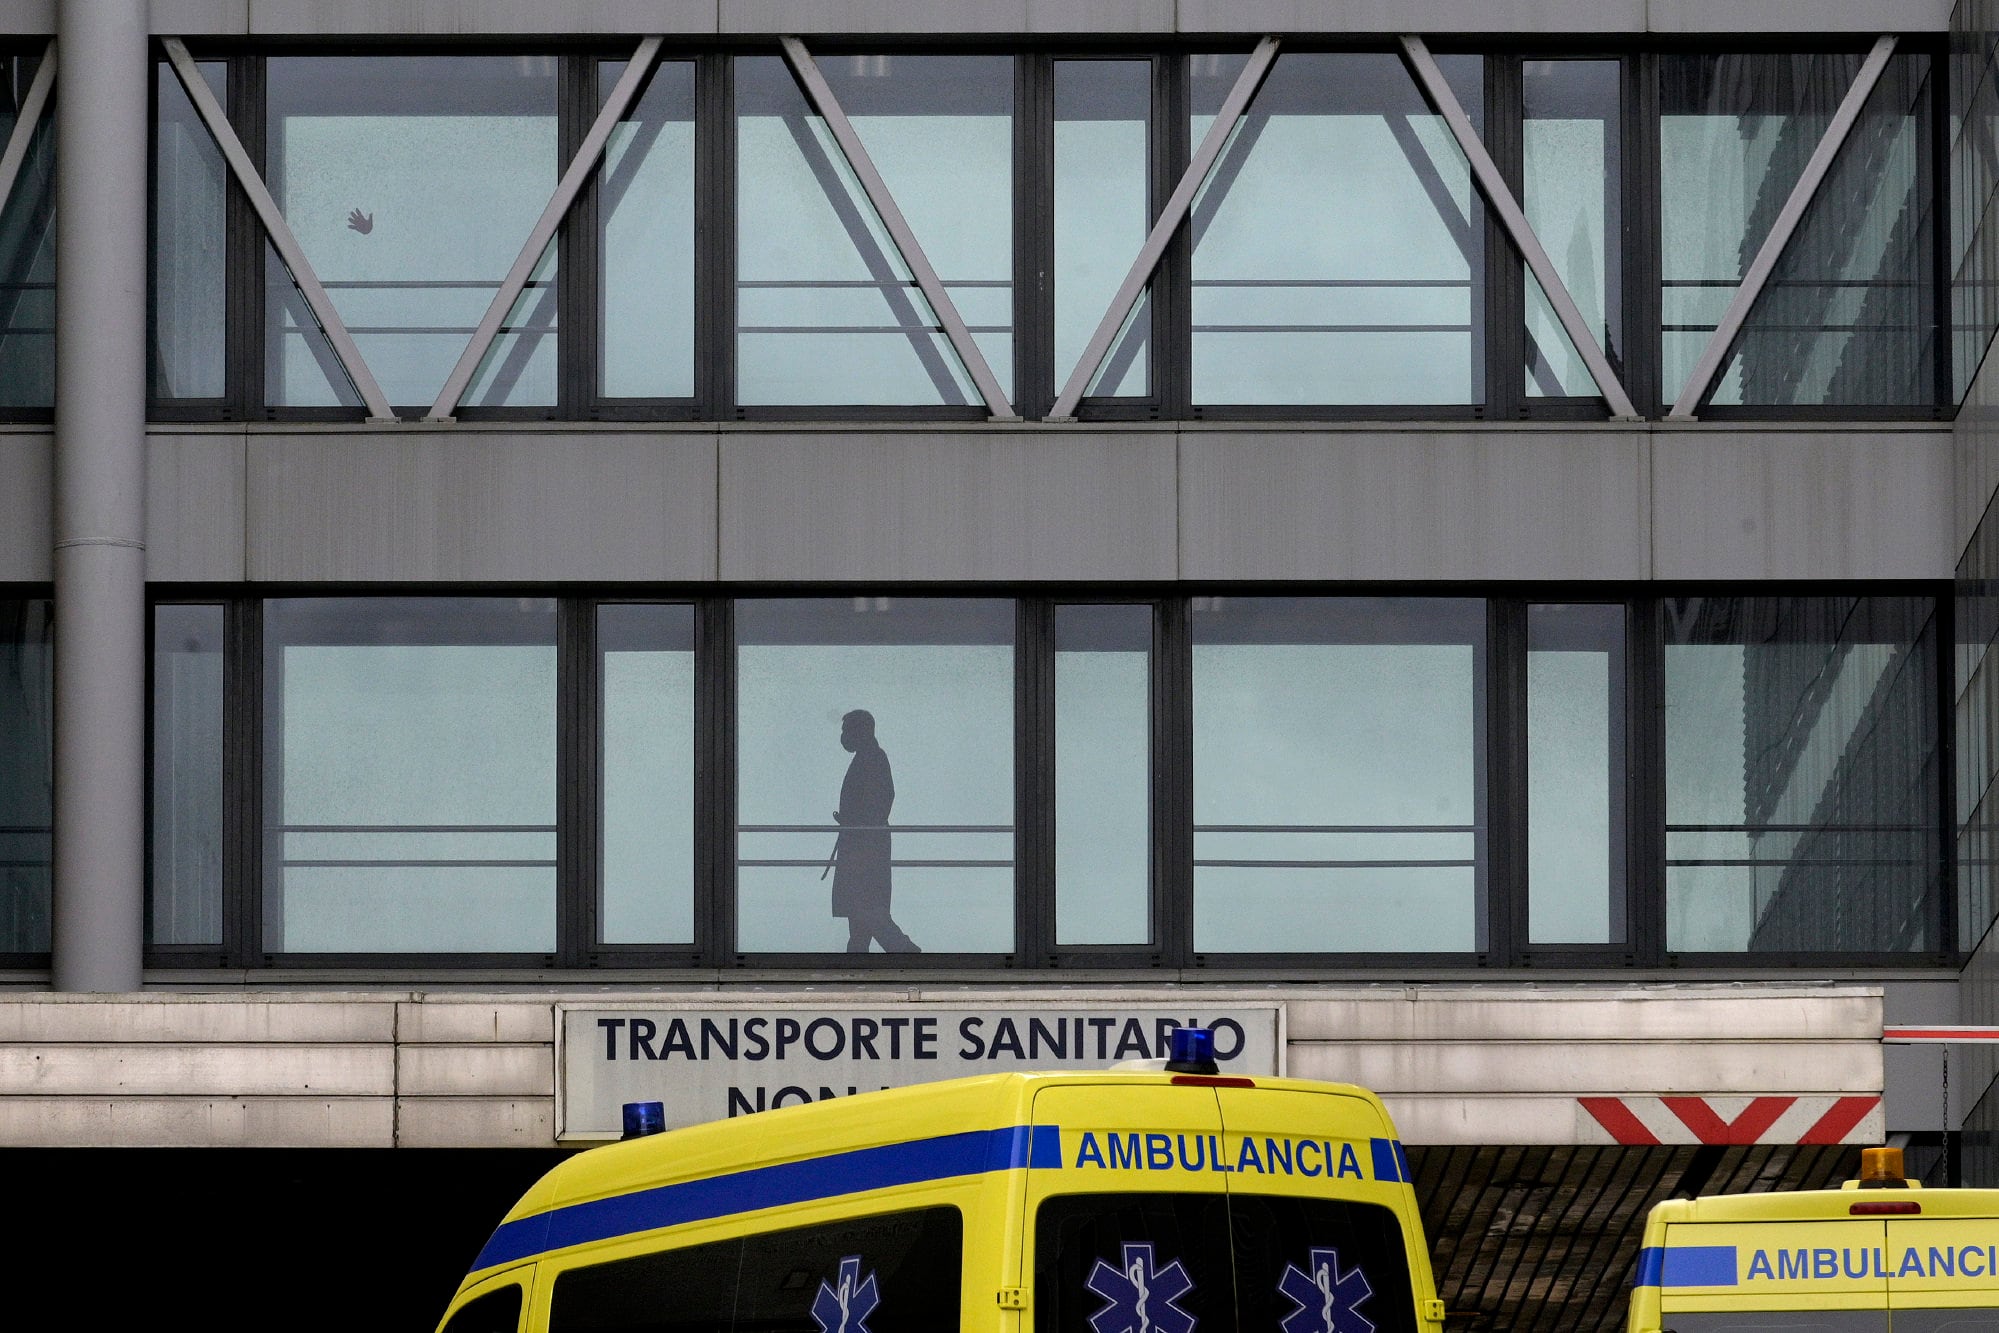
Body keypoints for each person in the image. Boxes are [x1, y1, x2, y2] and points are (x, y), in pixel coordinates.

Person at [828, 709, 918, 953]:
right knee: (861, 918)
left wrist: (855, 822)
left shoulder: (873, 758)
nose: (844, 736)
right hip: (862, 847)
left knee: (869, 912)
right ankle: (859, 963)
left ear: (861, 731)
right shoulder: (868, 758)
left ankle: (907, 954)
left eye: (847, 731)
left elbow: (879, 801)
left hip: (865, 850)